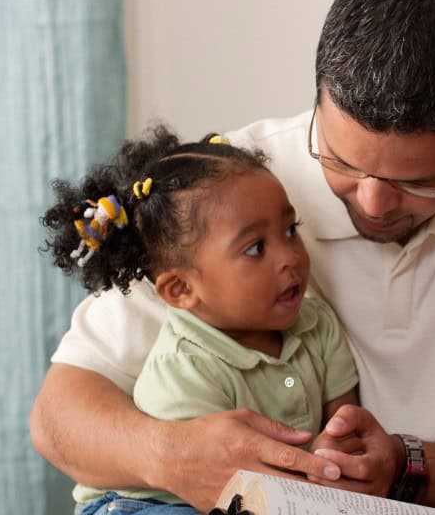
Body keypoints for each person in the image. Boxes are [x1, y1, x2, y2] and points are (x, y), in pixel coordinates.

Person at [30, 0, 435, 513]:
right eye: (341, 161)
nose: (372, 203)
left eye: (419, 182)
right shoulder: (237, 186)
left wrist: (408, 466)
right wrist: (175, 456)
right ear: (317, 96)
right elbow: (60, 416)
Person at [39, 127, 359, 513]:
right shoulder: (185, 366)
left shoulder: (317, 324)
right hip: (147, 504)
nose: (289, 256)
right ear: (180, 291)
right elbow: (213, 482)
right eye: (256, 247)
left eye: (291, 230)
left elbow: (345, 422)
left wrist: (337, 448)